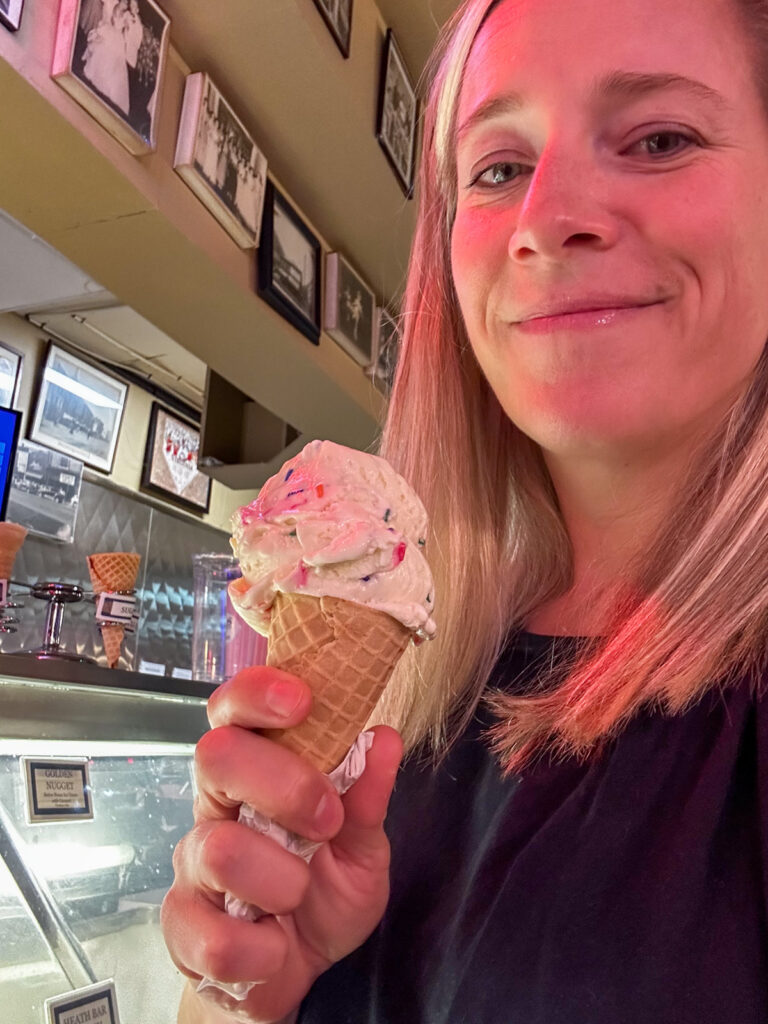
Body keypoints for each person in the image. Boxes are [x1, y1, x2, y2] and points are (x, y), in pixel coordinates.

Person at [161, 0, 768, 1019]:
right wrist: (249, 991)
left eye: (659, 139)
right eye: (497, 168)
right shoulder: (413, 691)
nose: (546, 218)